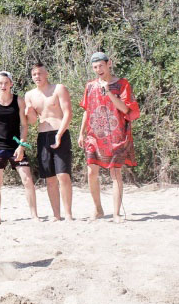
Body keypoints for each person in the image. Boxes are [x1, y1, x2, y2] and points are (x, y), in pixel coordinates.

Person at [77, 52, 139, 223]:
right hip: (94, 135)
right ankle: (98, 209)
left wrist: (109, 93)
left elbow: (126, 109)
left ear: (109, 64)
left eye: (101, 66)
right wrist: (81, 132)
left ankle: (116, 213)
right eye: (95, 67)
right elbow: (87, 110)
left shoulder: (122, 84)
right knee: (91, 172)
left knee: (115, 173)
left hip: (116, 135)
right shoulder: (90, 86)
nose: (99, 70)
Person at [0, 71, 39, 227]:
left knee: (27, 179)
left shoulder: (19, 101)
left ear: (11, 83)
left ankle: (34, 215)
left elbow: (24, 126)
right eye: (0, 83)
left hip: (16, 144)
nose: (3, 86)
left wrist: (22, 146)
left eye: (6, 83)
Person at [24, 63, 74, 221]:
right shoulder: (30, 95)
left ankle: (68, 214)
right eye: (34, 74)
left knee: (63, 175)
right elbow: (32, 122)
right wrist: (29, 112)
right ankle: (56, 214)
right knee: (50, 178)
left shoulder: (59, 88)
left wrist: (60, 134)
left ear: (46, 74)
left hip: (60, 132)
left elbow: (68, 113)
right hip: (43, 136)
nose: (37, 77)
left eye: (39, 73)